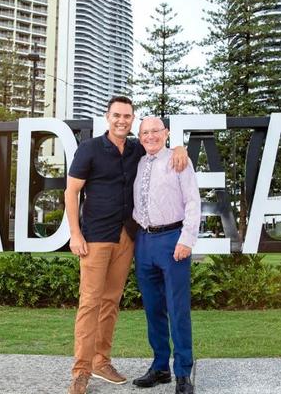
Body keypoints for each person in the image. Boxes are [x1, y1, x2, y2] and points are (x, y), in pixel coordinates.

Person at [64, 97, 188, 394]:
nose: (122, 120)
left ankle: (101, 361)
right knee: (90, 302)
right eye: (117, 115)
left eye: (127, 116)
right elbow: (71, 192)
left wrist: (181, 147)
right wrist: (74, 234)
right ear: (108, 117)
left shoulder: (135, 149)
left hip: (126, 237)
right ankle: (81, 371)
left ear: (133, 119)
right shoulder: (90, 148)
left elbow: (161, 146)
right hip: (94, 237)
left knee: (110, 302)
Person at [131, 116, 200, 394]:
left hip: (173, 240)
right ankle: (160, 367)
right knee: (153, 309)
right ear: (140, 135)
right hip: (144, 241)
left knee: (177, 309)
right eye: (145, 132)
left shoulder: (178, 160)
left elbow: (193, 201)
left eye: (156, 131)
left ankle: (183, 371)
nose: (150, 137)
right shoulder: (138, 160)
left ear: (166, 133)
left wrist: (187, 240)